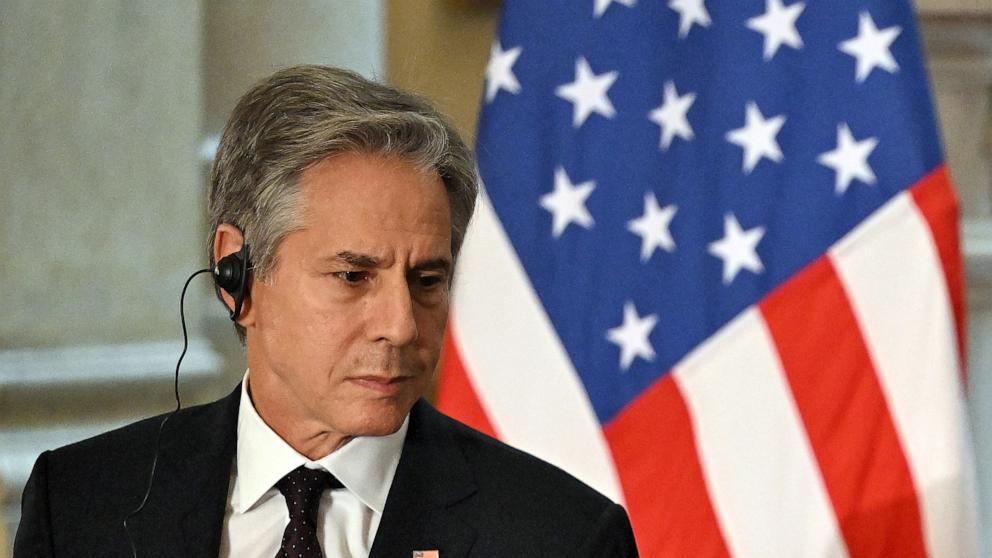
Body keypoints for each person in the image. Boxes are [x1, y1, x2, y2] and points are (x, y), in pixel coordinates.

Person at [13, 65, 638, 558]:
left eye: (427, 280)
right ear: (239, 274)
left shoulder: (561, 537)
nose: (401, 325)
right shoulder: (80, 503)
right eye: (352, 276)